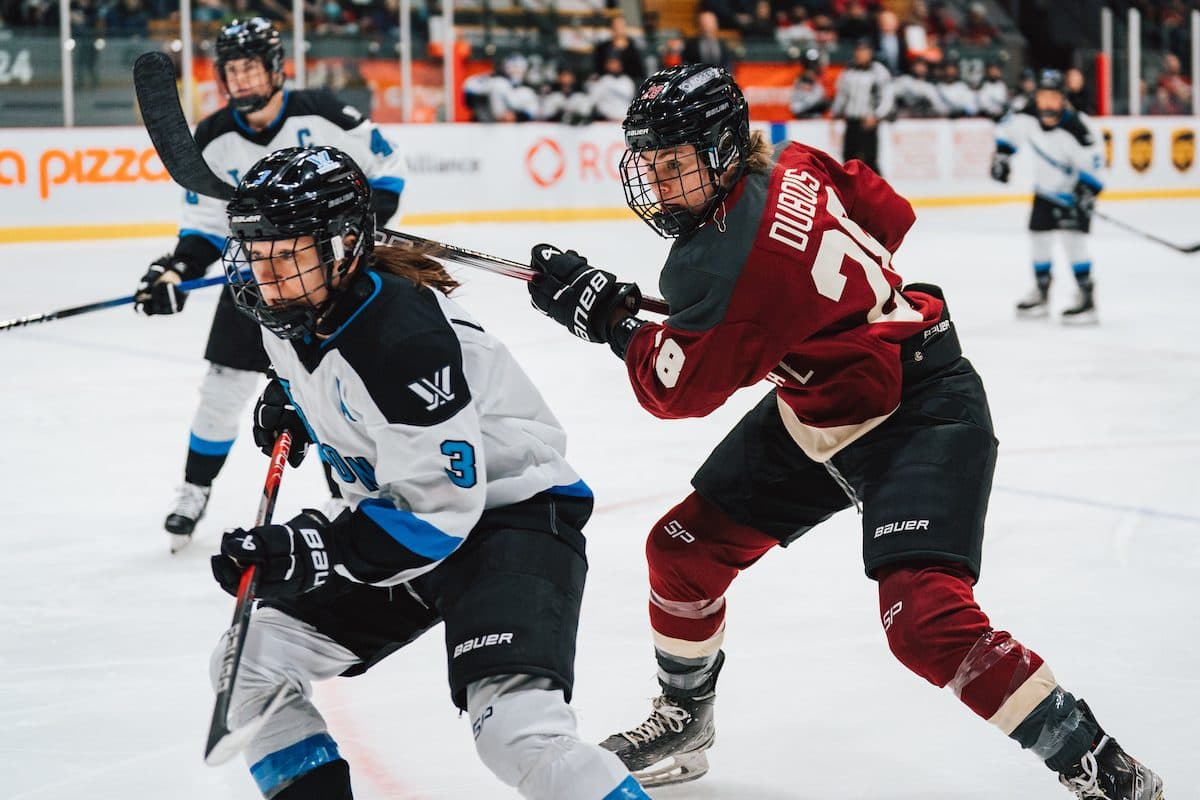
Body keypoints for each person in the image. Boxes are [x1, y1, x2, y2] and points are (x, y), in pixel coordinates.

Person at [525, 64, 1164, 798]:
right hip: (825, 401)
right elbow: (885, 212)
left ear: (726, 149)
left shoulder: (722, 260)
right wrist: (794, 306)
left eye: (676, 164)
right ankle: (685, 718)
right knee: (684, 552)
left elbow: (676, 390)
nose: (662, 185)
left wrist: (610, 323)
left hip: (918, 408)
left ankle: (1100, 765)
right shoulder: (795, 161)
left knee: (923, 618)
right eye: (653, 165)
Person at [208, 145, 651, 800]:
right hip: (403, 521)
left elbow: (437, 516)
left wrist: (311, 548)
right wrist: (297, 404)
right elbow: (328, 379)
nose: (268, 275)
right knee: (250, 660)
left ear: (343, 245)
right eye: (259, 253)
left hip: (510, 520)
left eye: (288, 252)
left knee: (517, 736)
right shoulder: (294, 310)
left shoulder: (398, 341)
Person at [133, 17, 407, 552]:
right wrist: (177, 271)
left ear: (275, 67)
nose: (241, 79)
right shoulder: (212, 137)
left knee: (336, 390)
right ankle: (194, 490)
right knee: (220, 391)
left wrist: (356, 229)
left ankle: (344, 495)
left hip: (329, 284)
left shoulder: (324, 113)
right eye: (231, 69)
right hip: (252, 283)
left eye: (250, 66)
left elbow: (388, 168)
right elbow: (206, 228)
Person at [991, 68, 1104, 323]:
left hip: (1072, 194)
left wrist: (1086, 193)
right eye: (1043, 96)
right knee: (1038, 238)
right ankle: (1042, 293)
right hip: (1044, 192)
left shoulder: (1079, 127)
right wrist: (1001, 158)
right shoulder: (1026, 117)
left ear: (1063, 98)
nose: (1047, 102)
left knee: (1073, 242)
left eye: (1054, 96)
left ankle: (1086, 298)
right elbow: (1007, 133)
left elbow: (1095, 163)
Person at [831, 38, 894, 174]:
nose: (860, 54)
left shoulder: (879, 71)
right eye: (858, 50)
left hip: (868, 121)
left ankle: (879, 193)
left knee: (870, 160)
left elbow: (887, 97)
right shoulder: (848, 71)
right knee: (849, 159)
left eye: (863, 50)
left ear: (870, 53)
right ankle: (851, 193)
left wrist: (877, 115)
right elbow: (842, 95)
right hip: (851, 120)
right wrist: (835, 112)